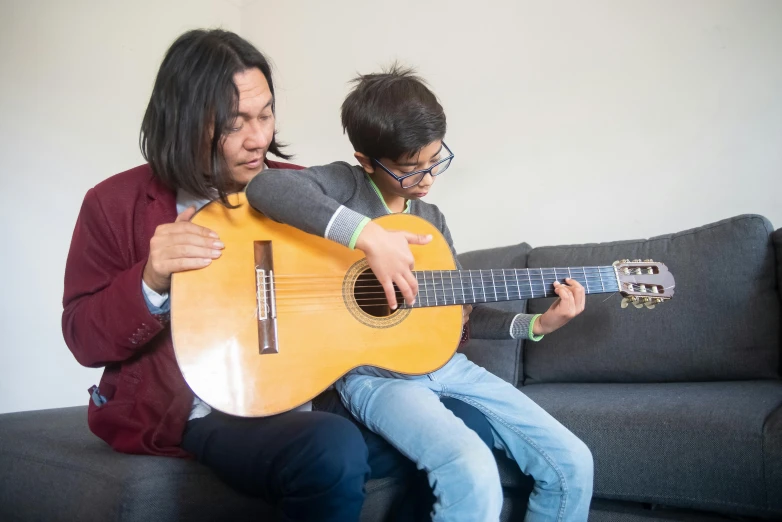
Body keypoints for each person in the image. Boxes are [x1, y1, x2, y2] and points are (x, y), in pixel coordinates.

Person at [61, 30, 494, 522]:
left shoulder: (300, 190)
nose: (259, 138)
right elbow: (82, 338)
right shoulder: (114, 204)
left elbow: (366, 291)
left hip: (318, 389)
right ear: (183, 121)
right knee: (331, 449)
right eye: (234, 123)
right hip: (209, 407)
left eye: (265, 114)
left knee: (468, 425)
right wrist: (151, 279)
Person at [245, 65, 595, 521]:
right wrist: (367, 236)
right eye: (411, 170)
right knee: (472, 469)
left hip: (447, 366)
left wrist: (535, 324)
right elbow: (266, 187)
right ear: (366, 159)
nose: (427, 178)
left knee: (574, 461)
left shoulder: (431, 219)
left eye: (435, 160)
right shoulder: (344, 185)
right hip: (375, 377)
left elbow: (456, 306)